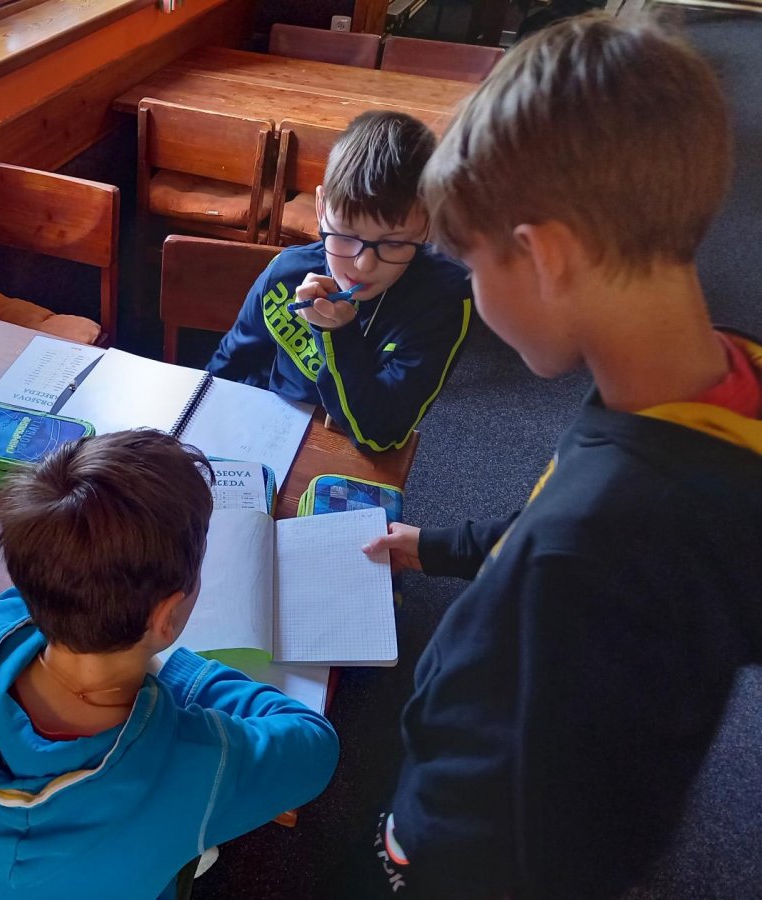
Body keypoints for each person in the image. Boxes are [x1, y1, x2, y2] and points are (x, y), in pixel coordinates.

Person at [360, 14, 762, 899]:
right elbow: (561, 507)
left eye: (472, 266)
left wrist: (406, 851)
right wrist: (437, 547)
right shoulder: (713, 383)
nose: (473, 290)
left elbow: (522, 825)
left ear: (544, 257)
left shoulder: (593, 546)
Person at [0, 429, 340, 899]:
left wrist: (52, 598)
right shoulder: (199, 764)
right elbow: (315, 744)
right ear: (165, 617)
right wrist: (181, 672)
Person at [207, 110, 472, 452]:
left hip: (352, 453)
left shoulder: (442, 302)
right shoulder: (285, 273)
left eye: (393, 243)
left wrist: (337, 335)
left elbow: (380, 436)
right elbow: (230, 361)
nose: (363, 264)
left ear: (427, 226)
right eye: (345, 235)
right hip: (268, 431)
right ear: (321, 208)